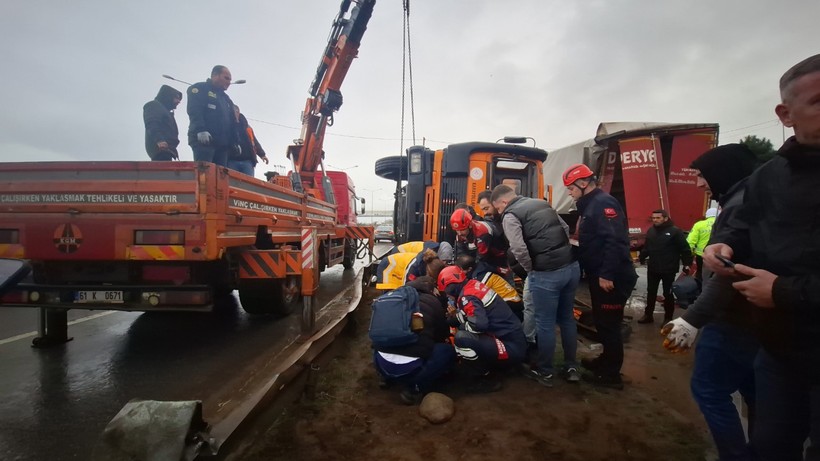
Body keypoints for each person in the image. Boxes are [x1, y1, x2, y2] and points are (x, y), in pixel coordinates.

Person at [702, 54, 820, 461]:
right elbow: (744, 225)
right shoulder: (770, 176)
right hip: (779, 349)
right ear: (786, 114)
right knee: (771, 447)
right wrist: (724, 245)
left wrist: (784, 292)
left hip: (791, 326)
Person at [662, 143, 760, 461]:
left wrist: (692, 318)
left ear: (723, 173)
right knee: (754, 391)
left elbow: (731, 272)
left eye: (703, 176)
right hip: (754, 320)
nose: (701, 183)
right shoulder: (752, 200)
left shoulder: (739, 205)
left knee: (709, 389)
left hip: (731, 320)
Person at [491, 184, 581, 387]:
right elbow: (565, 229)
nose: (499, 212)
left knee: (545, 323)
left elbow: (518, 248)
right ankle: (571, 367)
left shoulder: (510, 215)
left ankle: (546, 372)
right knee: (567, 319)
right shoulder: (542, 203)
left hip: (546, 274)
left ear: (504, 202)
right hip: (571, 267)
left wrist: (531, 269)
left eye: (497, 208)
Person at [562, 163, 637, 389]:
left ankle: (611, 376)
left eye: (571, 187)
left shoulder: (603, 203)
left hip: (611, 277)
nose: (569, 192)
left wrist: (607, 274)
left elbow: (615, 240)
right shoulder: (591, 204)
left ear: (583, 183)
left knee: (610, 326)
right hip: (599, 274)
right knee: (603, 324)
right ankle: (606, 361)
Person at [437, 265, 526, 392]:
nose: (448, 295)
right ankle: (498, 366)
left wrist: (461, 325)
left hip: (510, 347)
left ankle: (485, 377)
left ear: (451, 287)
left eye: (447, 291)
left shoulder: (466, 297)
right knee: (465, 332)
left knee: (461, 338)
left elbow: (479, 325)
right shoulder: (472, 285)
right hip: (514, 340)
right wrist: (455, 319)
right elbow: (473, 313)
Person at [372, 276, 456, 405]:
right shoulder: (432, 302)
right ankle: (414, 388)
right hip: (409, 369)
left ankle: (385, 377)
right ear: (431, 289)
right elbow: (441, 335)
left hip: (381, 362)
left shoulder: (389, 298)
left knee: (385, 337)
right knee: (447, 351)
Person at [637, 209, 692, 324]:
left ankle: (668, 318)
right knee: (651, 292)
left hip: (669, 268)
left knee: (668, 293)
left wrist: (687, 264)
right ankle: (648, 315)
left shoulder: (675, 231)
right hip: (653, 267)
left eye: (658, 218)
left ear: (665, 218)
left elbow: (685, 249)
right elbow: (647, 247)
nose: (655, 220)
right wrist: (641, 257)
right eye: (653, 218)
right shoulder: (651, 231)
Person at [187, 65, 240, 167]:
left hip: (222, 145)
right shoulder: (200, 89)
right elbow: (195, 111)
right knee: (204, 175)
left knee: (221, 178)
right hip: (204, 142)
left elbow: (232, 122)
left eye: (230, 80)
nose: (229, 82)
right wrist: (200, 130)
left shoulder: (226, 99)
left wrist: (235, 141)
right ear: (215, 75)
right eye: (226, 78)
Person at [449, 208, 511, 281]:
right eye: (457, 230)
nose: (459, 233)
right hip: (483, 256)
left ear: (469, 225)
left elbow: (481, 258)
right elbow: (460, 256)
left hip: (499, 258)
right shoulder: (460, 236)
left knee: (477, 275)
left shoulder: (482, 232)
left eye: (462, 229)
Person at [143, 85, 182, 161]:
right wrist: (159, 140)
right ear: (168, 96)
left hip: (166, 150)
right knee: (164, 172)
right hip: (161, 149)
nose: (179, 101)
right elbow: (152, 124)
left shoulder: (164, 110)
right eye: (176, 98)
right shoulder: (154, 105)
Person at [228, 105, 269, 176]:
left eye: (236, 111)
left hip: (248, 162)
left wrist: (262, 155)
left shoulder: (247, 127)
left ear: (238, 112)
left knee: (248, 185)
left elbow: (254, 142)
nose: (234, 113)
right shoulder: (227, 124)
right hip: (232, 160)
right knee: (232, 184)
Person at [687, 207, 718, 281]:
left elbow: (691, 241)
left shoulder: (699, 224)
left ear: (707, 215)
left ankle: (699, 287)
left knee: (700, 273)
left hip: (701, 255)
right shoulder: (723, 224)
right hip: (719, 256)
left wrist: (689, 254)